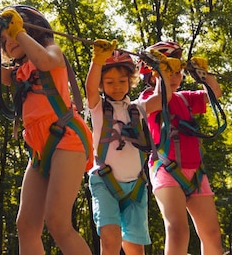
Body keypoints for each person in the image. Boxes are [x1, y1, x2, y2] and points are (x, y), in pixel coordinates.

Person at [0, 4, 93, 255]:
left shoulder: (51, 51)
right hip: (39, 147)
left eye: (11, 33)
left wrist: (19, 31)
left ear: (32, 31)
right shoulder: (16, 74)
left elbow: (46, 62)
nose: (7, 41)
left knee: (58, 222)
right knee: (25, 225)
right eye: (3, 40)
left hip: (66, 137)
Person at [86, 39, 172, 255]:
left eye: (122, 81)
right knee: (110, 239)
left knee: (135, 249)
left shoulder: (137, 108)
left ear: (130, 82)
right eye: (110, 82)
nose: (116, 87)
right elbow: (89, 89)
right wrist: (97, 61)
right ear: (102, 85)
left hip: (135, 187)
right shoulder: (98, 108)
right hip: (104, 182)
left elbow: (164, 98)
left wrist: (161, 73)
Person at [139, 41, 224, 255]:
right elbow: (161, 100)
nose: (175, 78)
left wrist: (203, 75)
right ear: (152, 76)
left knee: (212, 233)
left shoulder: (185, 99)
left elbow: (215, 93)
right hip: (166, 170)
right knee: (178, 230)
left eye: (178, 73)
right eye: (169, 73)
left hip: (195, 173)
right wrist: (160, 70)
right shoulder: (147, 99)